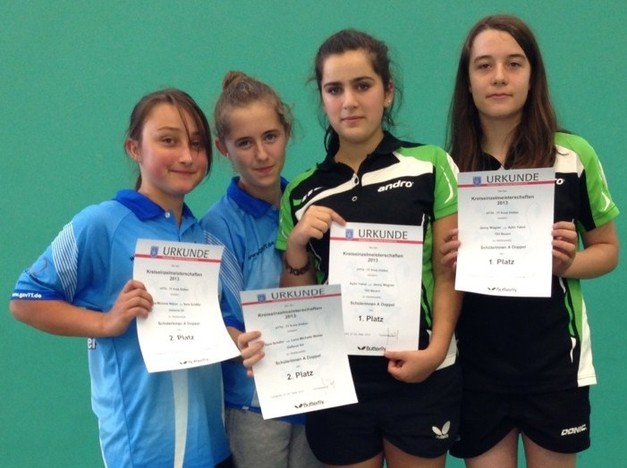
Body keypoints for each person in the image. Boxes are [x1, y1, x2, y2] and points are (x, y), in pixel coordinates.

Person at [239, 29, 462, 468]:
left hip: (421, 369)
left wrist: (435, 352)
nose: (349, 102)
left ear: (387, 91)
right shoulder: (301, 192)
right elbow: (298, 302)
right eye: (334, 89)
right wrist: (297, 245)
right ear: (322, 98)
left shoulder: (431, 164)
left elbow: (449, 268)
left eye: (362, 86)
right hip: (338, 382)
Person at [10, 88, 233, 468]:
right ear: (134, 148)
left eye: (196, 144)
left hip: (213, 448)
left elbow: (216, 324)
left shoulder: (204, 236)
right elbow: (25, 301)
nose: (186, 156)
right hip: (143, 452)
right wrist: (104, 322)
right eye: (168, 140)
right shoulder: (102, 224)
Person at [443, 15, 620, 468]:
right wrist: (446, 259)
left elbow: (608, 251)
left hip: (554, 366)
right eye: (484, 65)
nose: (499, 76)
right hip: (477, 369)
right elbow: (437, 274)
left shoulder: (573, 155)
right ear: (468, 80)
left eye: (514, 63)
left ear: (532, 74)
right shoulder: (447, 168)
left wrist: (568, 263)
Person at [201, 71, 322, 468]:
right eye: (244, 143)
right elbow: (216, 318)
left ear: (287, 133)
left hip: (314, 389)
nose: (261, 154)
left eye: (270, 137)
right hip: (254, 403)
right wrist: (238, 340)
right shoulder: (217, 226)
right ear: (223, 148)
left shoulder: (306, 204)